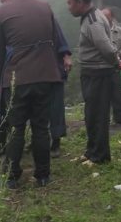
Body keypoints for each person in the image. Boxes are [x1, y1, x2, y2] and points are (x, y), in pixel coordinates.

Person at [0, 0, 62, 189]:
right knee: (41, 127)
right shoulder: (44, 6)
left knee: (16, 127)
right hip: (46, 76)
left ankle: (12, 176)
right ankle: (43, 175)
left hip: (17, 78)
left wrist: (0, 79)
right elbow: (56, 41)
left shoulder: (0, 13)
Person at [66, 0, 121, 164]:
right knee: (91, 115)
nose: (68, 7)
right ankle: (91, 151)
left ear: (81, 2)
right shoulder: (90, 17)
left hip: (99, 74)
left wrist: (115, 62)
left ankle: (100, 156)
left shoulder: (93, 21)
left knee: (98, 116)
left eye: (70, 3)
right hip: (91, 73)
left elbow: (107, 48)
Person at [102, 7, 121, 126]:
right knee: (103, 94)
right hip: (103, 66)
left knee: (119, 93)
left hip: (117, 66)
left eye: (106, 16)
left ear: (112, 17)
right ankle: (104, 120)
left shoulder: (120, 31)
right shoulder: (98, 30)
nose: (103, 18)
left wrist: (119, 55)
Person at [50, 19, 72, 158]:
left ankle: (56, 142)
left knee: (55, 107)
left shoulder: (50, 20)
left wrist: (66, 55)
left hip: (53, 70)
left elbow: (61, 42)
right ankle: (37, 141)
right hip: (33, 72)